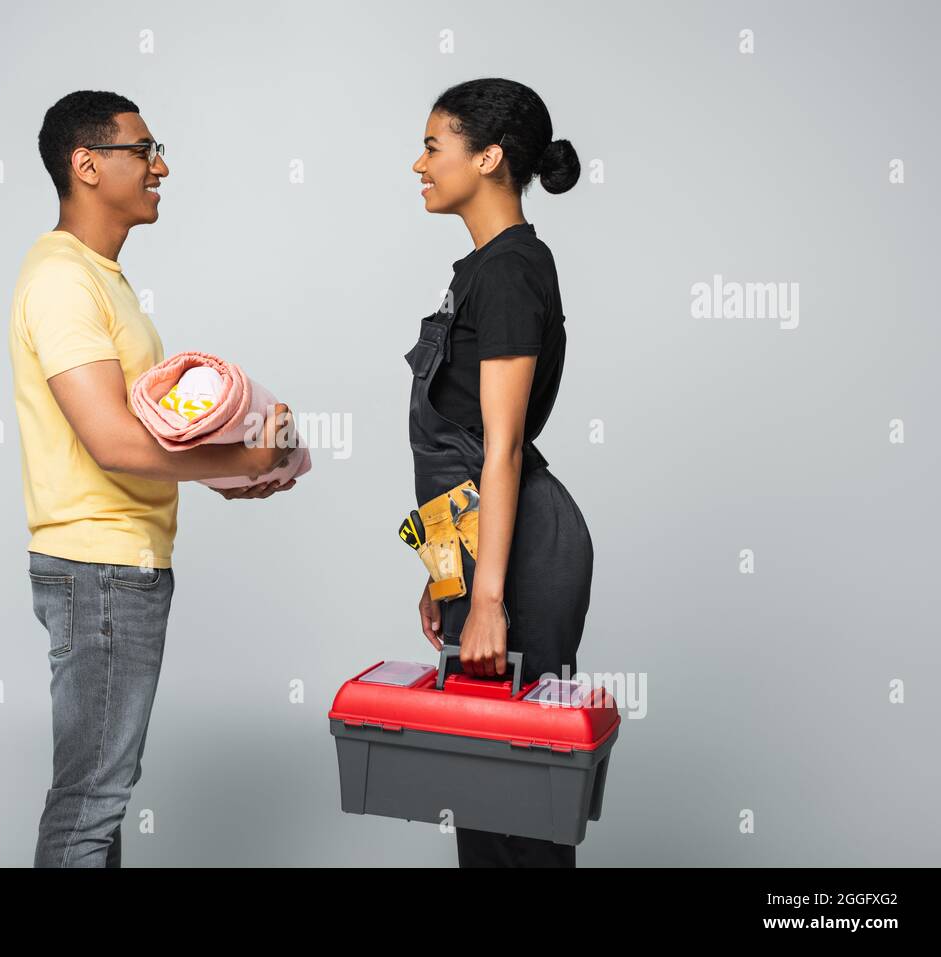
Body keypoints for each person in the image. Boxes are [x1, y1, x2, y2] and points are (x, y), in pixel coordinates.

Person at [9, 90, 298, 867]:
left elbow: (146, 431)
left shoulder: (98, 276)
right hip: (101, 569)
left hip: (117, 565)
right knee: (91, 805)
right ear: (88, 164)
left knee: (99, 800)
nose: (161, 166)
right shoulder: (63, 280)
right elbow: (111, 441)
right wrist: (241, 463)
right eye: (145, 151)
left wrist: (243, 469)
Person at [406, 78, 594, 867]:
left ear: (488, 157)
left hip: (520, 554)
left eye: (432, 145)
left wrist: (485, 597)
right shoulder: (481, 268)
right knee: (480, 788)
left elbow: (504, 446)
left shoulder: (513, 269)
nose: (417, 163)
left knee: (519, 799)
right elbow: (463, 454)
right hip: (481, 547)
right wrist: (445, 574)